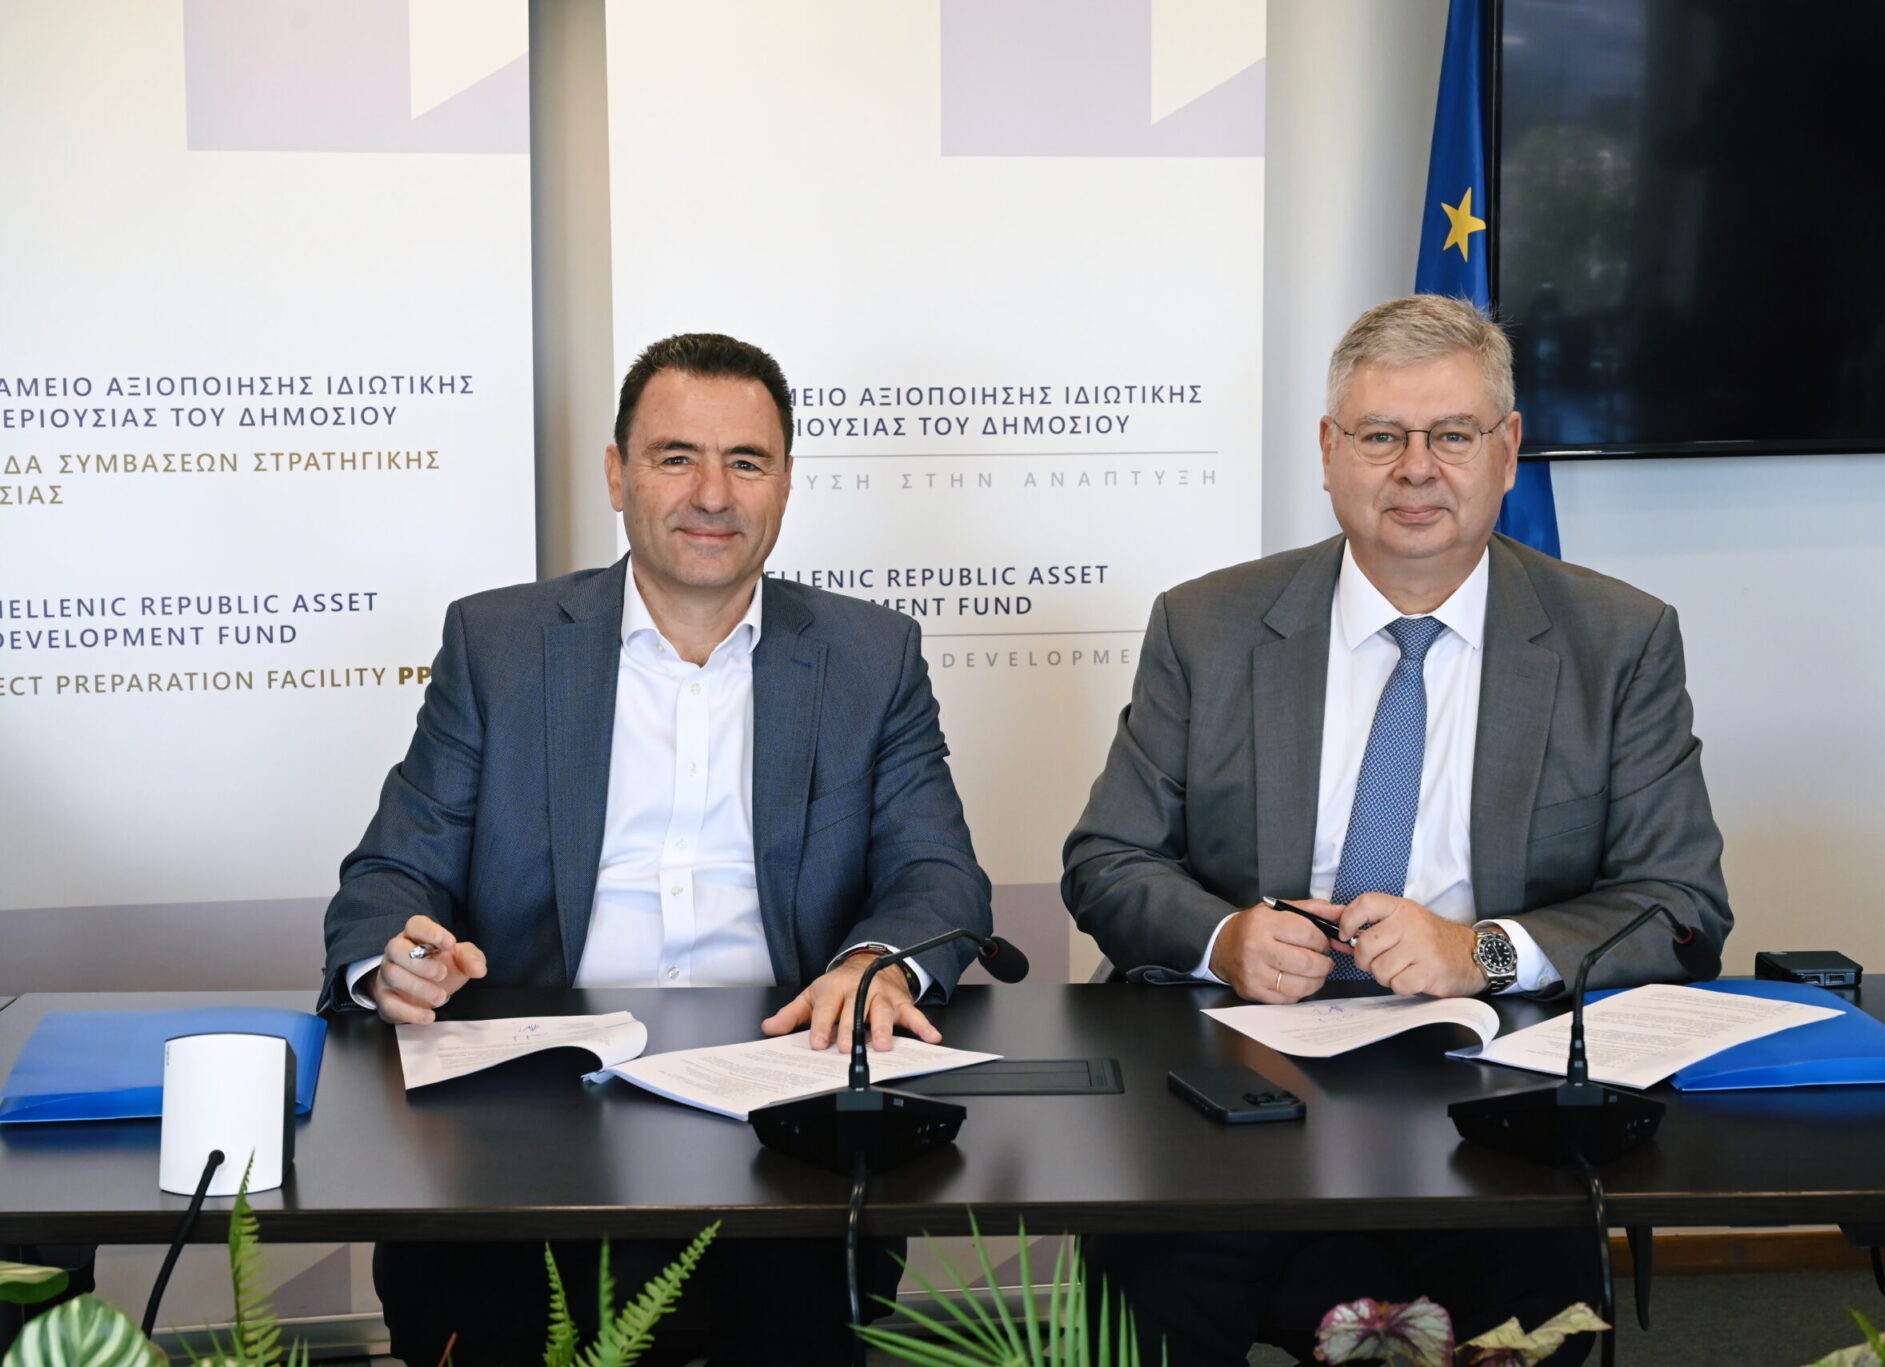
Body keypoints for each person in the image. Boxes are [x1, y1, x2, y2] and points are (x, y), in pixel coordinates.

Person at [1062, 294, 1732, 1363]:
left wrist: (1481, 950)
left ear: (1506, 449)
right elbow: (1107, 860)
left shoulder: (1617, 639)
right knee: (1151, 1286)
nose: (1416, 469)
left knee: (1540, 1294)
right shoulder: (1206, 624)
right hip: (1238, 1075)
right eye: (1381, 436)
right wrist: (1226, 938)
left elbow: (1679, 904)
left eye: (1451, 434)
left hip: (1489, 1090)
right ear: (1330, 452)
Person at [321, 332, 993, 1366]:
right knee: (485, 1308)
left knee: (801, 1316)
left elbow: (936, 873)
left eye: (746, 461)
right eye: (676, 457)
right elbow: (389, 874)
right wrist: (394, 959)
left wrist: (875, 961)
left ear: (785, 483)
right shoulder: (499, 646)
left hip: (782, 1096)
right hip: (536, 1100)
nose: (711, 494)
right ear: (617, 474)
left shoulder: (871, 654)